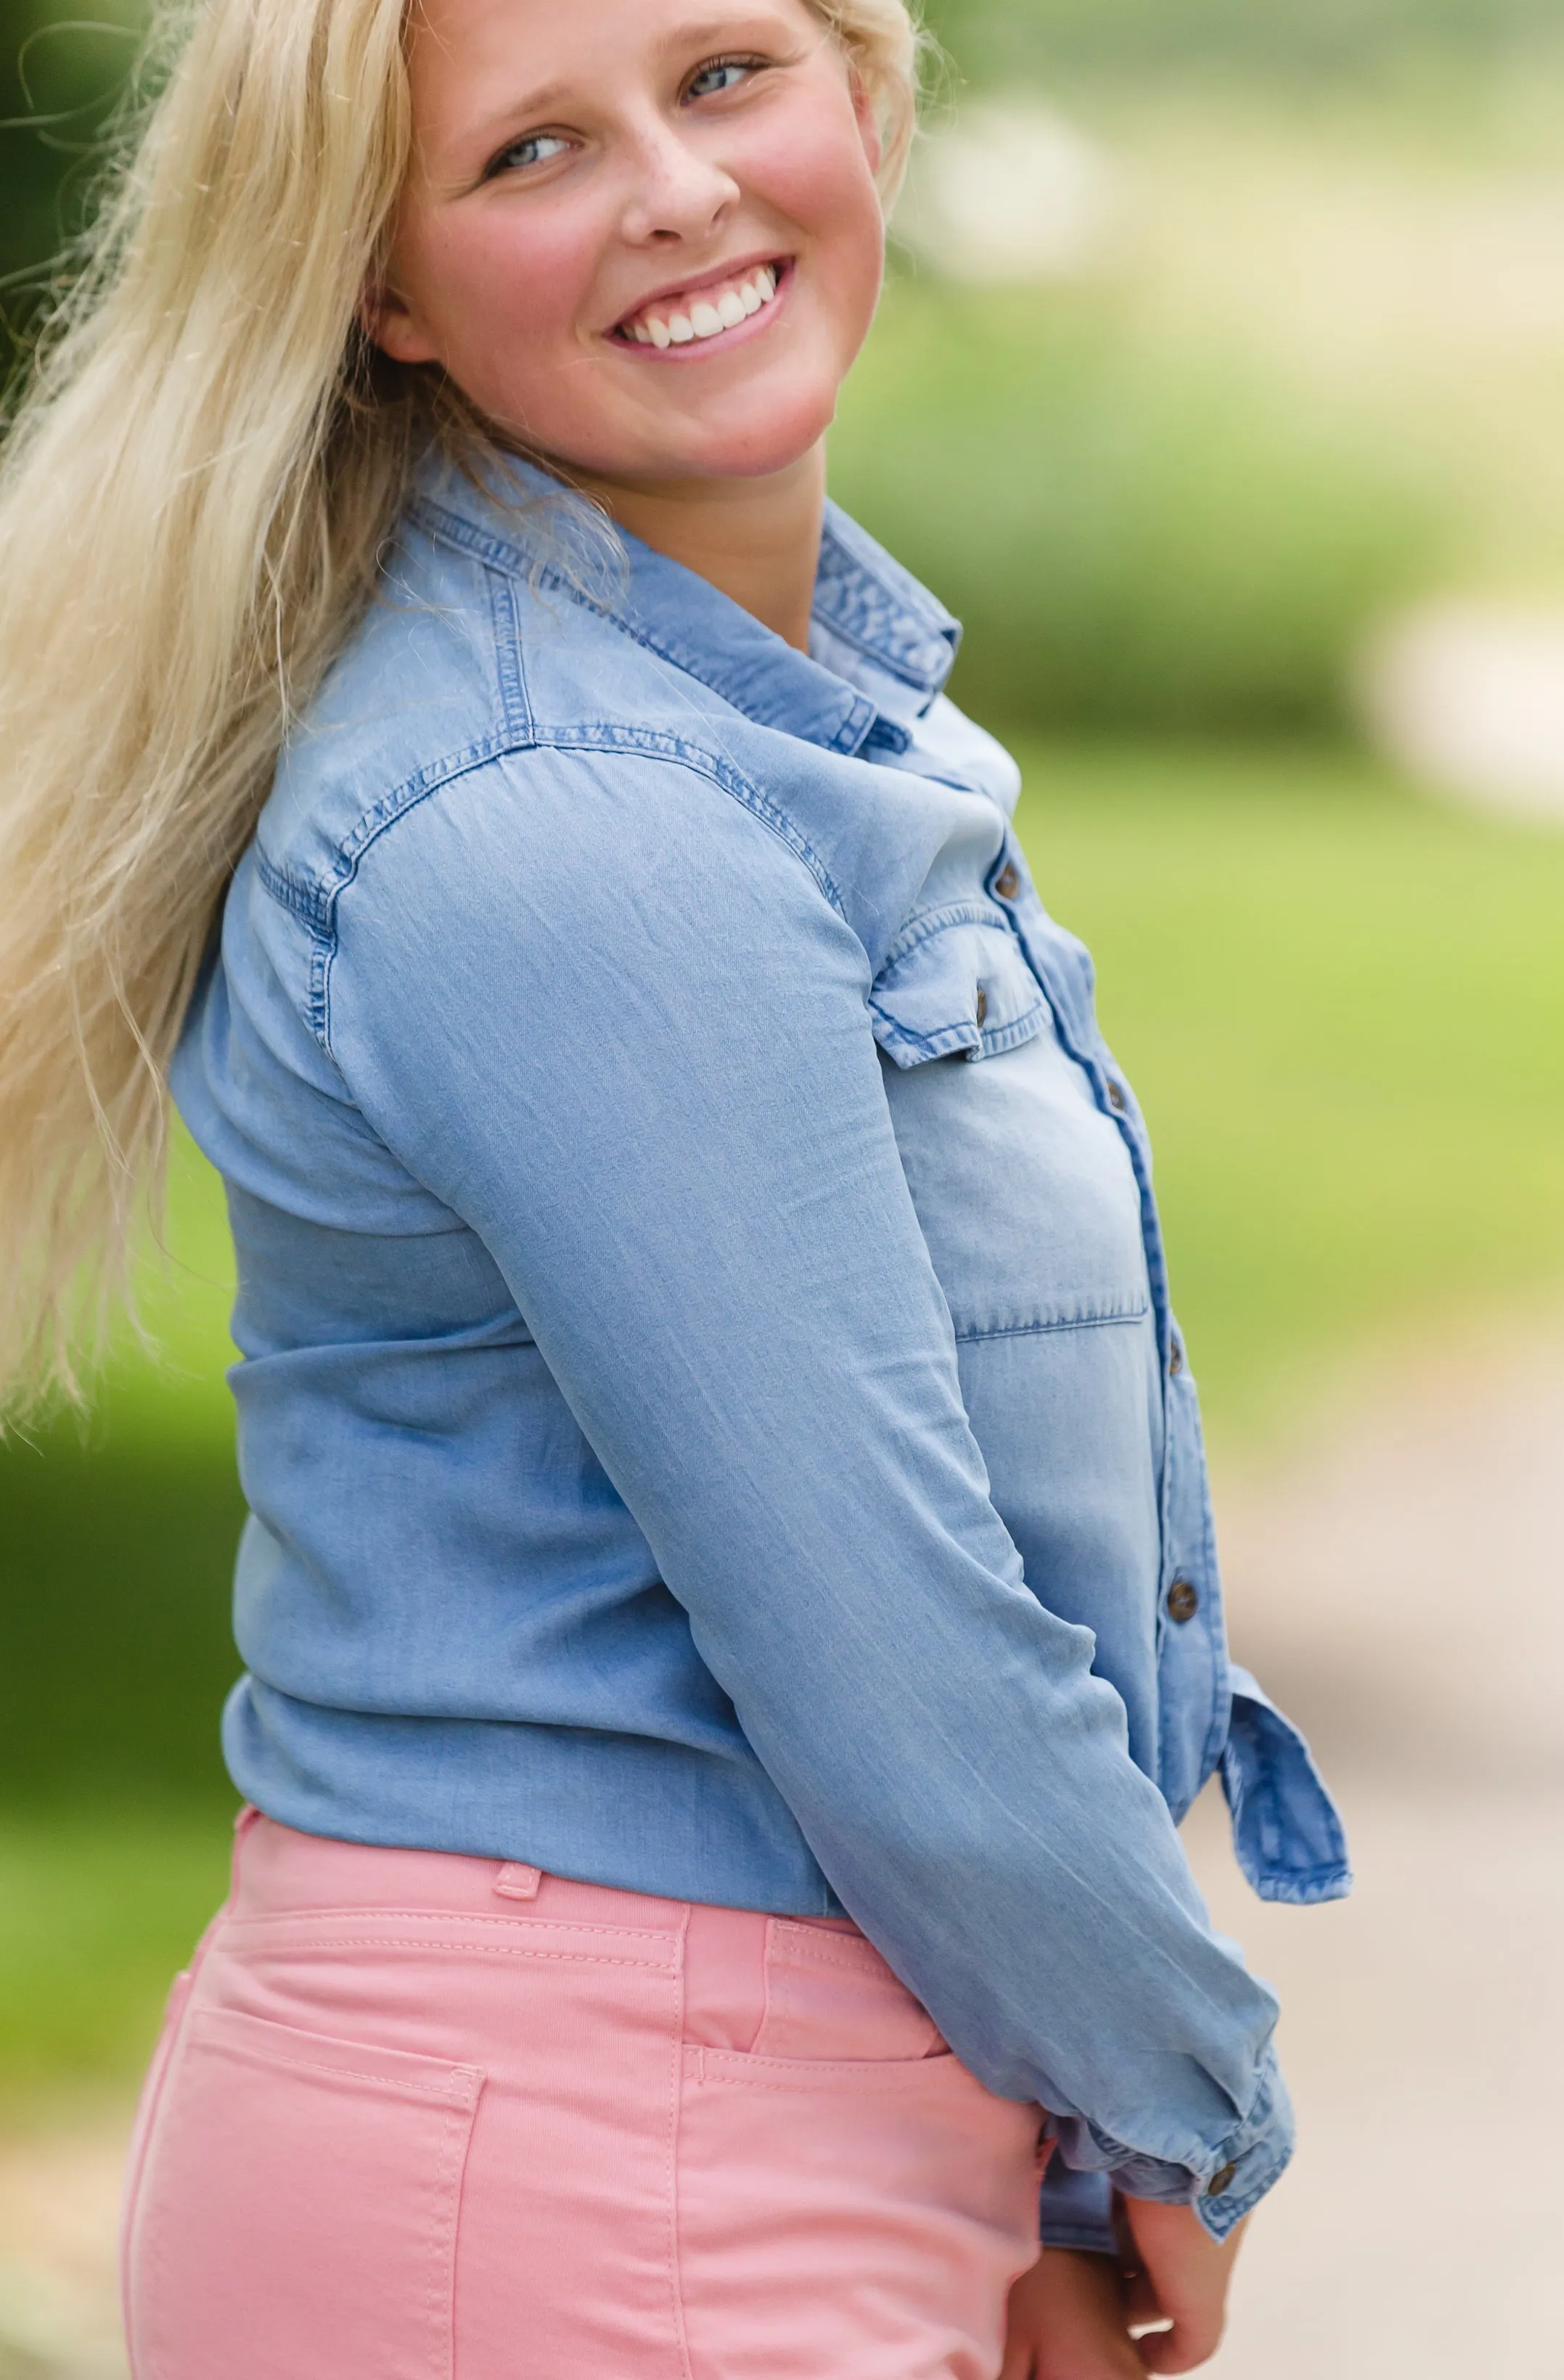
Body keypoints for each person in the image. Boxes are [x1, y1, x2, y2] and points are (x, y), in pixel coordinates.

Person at [0, 0, 1350, 2372]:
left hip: (738, 2114)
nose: (676, 188)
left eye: (726, 75)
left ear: (864, 89)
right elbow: (884, 1635)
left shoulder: (779, 715)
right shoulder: (558, 820)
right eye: (532, 148)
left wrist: (1039, 2148)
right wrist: (1177, 2119)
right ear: (384, 286)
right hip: (609, 2160)